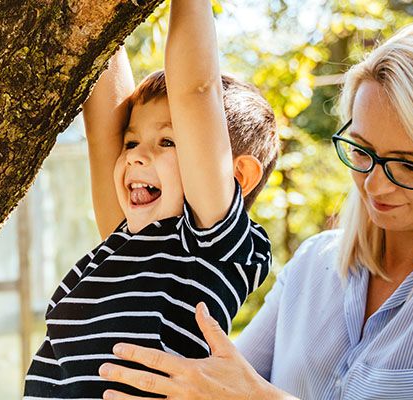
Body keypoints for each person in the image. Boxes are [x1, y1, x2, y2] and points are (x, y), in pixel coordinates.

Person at [97, 21, 413, 399]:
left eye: (410, 164)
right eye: (362, 151)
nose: (373, 182)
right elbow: (219, 381)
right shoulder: (315, 265)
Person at [22, 0, 280, 398]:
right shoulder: (126, 240)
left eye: (168, 141)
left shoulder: (213, 245)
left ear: (236, 176)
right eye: (132, 142)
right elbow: (104, 129)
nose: (136, 155)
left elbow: (196, 91)